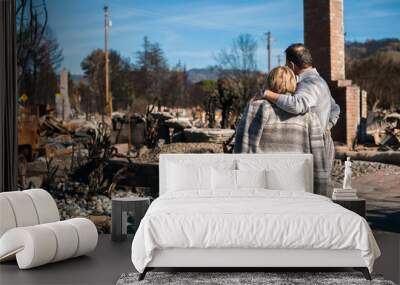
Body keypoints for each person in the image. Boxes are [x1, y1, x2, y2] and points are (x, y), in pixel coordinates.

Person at [234, 66, 329, 195]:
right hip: (299, 188)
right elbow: (319, 161)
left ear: (269, 82)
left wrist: (241, 185)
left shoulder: (257, 107)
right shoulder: (309, 116)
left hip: (264, 188)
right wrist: (322, 194)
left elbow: (243, 148)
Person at [259, 43, 339, 175]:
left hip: (314, 147)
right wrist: (327, 126)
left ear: (291, 65)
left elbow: (297, 105)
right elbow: (335, 109)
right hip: (319, 143)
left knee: (311, 190)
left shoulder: (309, 83)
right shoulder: (318, 81)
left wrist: (267, 94)